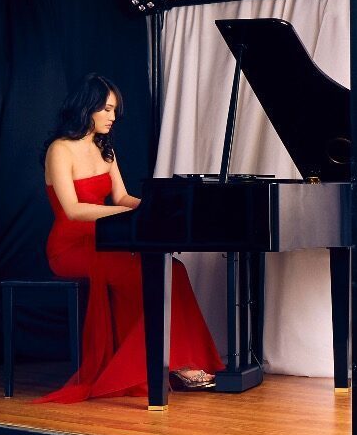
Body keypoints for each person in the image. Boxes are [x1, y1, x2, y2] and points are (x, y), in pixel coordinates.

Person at [36, 74, 222, 402]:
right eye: (106, 109)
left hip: (105, 240)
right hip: (69, 248)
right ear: (86, 108)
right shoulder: (59, 150)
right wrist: (132, 216)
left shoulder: (104, 149)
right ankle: (171, 363)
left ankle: (170, 362)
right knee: (151, 276)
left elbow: (121, 197)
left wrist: (155, 207)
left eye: (114, 111)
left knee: (172, 269)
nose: (112, 117)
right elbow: (74, 210)